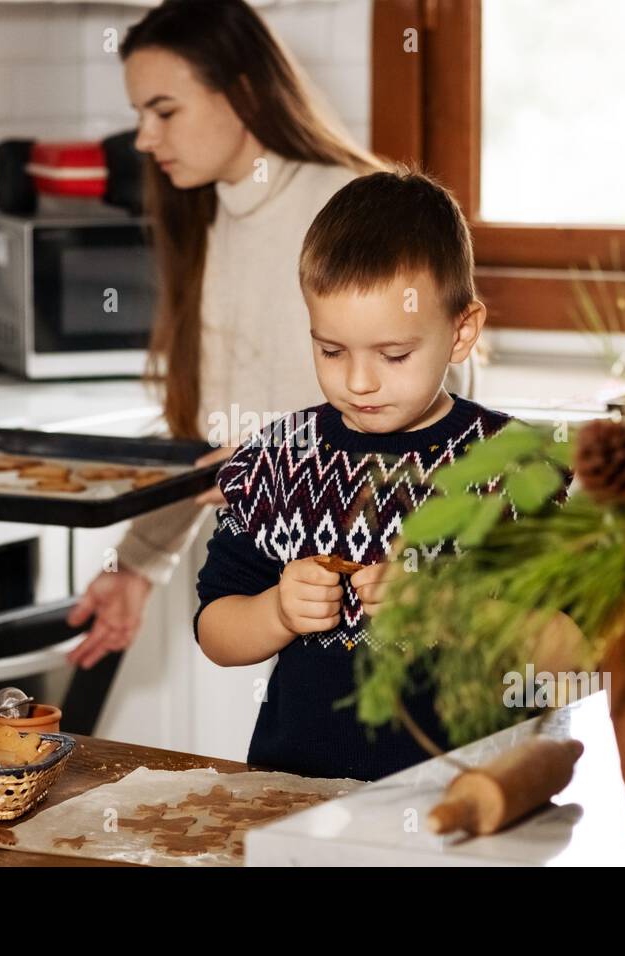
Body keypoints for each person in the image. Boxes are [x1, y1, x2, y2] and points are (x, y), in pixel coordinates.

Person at [65, 0, 478, 669]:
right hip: (278, 594)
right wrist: (137, 565)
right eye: (139, 114)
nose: (143, 138)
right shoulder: (212, 219)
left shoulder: (345, 205)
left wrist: (276, 470)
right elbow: (212, 439)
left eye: (164, 111)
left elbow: (442, 407)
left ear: (244, 92)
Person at [194, 169, 511, 781]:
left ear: (462, 331)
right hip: (294, 800)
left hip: (465, 805)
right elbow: (214, 630)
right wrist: (276, 613)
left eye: (394, 355)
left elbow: (570, 651)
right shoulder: (280, 460)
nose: (358, 382)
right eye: (331, 351)